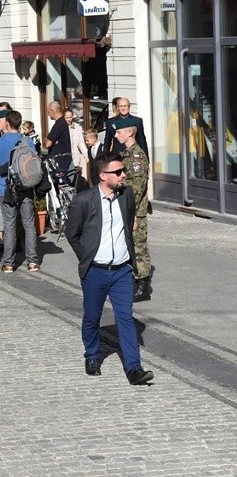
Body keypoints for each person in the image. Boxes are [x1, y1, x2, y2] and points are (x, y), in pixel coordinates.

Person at [65, 153, 154, 386]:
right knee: (92, 317)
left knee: (125, 317)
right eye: (118, 172)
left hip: (122, 271)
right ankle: (92, 356)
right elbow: (71, 233)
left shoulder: (127, 196)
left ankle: (134, 369)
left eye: (123, 170)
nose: (123, 175)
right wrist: (87, 256)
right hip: (95, 271)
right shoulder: (84, 200)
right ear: (103, 176)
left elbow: (129, 222)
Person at [0, 110, 40, 272]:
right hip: (26, 186)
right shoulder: (28, 141)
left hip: (6, 189)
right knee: (29, 224)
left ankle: (9, 263)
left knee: (9, 225)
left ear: (8, 123)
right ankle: (32, 261)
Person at [115, 120, 153, 302]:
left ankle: (143, 287)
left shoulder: (137, 157)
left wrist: (133, 215)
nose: (116, 135)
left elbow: (137, 189)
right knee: (130, 246)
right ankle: (132, 280)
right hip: (127, 209)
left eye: (119, 132)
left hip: (135, 211)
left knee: (139, 247)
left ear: (130, 132)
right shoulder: (125, 155)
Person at [44, 101, 73, 172]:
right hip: (63, 160)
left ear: (53, 111)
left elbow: (47, 144)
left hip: (59, 161)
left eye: (48, 112)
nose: (48, 114)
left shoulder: (59, 125)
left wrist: (46, 139)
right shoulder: (62, 122)